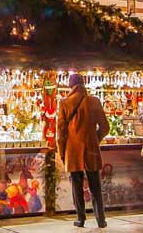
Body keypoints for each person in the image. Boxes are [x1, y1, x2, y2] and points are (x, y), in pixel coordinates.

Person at [57, 73, 109, 228]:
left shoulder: (65, 103)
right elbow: (105, 127)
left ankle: (80, 219)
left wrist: (62, 152)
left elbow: (61, 132)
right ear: (83, 84)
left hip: (73, 151)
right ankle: (101, 219)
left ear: (70, 86)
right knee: (95, 186)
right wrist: (95, 139)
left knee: (77, 185)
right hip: (91, 149)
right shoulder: (94, 101)